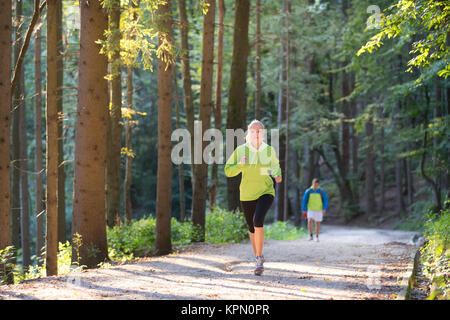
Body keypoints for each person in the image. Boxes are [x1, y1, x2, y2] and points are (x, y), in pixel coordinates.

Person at [224, 120, 282, 276]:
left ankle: (258, 258)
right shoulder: (241, 150)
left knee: (258, 220)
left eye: (259, 131)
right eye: (253, 131)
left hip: (266, 191)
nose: (256, 133)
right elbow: (228, 171)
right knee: (251, 227)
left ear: (263, 133)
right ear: (248, 134)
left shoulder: (268, 150)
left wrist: (277, 174)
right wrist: (240, 166)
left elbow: (275, 166)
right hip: (247, 193)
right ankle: (259, 257)